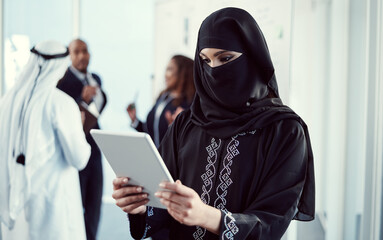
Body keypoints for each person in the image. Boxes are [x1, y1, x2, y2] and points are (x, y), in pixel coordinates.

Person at [113, 7, 315, 240]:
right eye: (205, 60)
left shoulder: (285, 130)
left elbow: (273, 220)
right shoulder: (186, 124)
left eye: (225, 58)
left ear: (252, 58)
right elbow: (163, 203)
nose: (213, 69)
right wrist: (140, 206)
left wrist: (208, 217)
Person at [0, 40, 91, 240]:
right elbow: (79, 158)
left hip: (18, 213)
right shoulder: (61, 103)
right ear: (60, 65)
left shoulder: (7, 101)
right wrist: (81, 127)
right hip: (54, 213)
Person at [57, 39, 107, 240]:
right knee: (77, 205)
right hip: (74, 150)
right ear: (69, 56)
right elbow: (63, 115)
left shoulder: (96, 78)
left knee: (95, 204)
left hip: (94, 149)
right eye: (76, 52)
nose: (81, 56)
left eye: (85, 51)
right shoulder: (62, 82)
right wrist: (82, 101)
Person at [127, 55, 195, 148]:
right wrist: (135, 120)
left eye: (170, 69)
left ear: (183, 73)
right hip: (154, 158)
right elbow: (151, 131)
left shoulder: (189, 103)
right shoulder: (163, 97)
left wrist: (176, 129)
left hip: (171, 161)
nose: (165, 74)